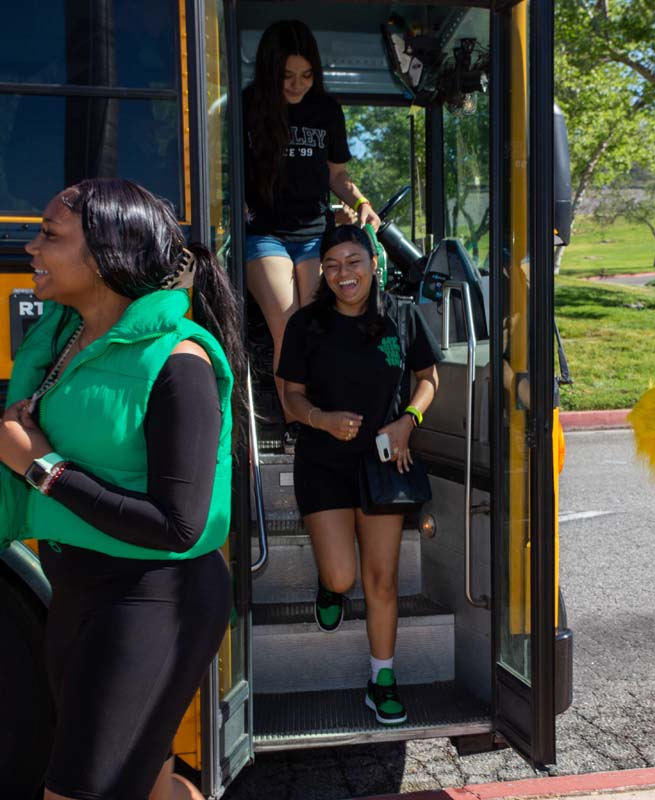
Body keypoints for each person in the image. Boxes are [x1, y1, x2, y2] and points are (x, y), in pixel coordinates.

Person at [0, 178, 244, 800]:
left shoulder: (178, 361)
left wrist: (42, 466)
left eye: (50, 235)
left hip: (154, 599)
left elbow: (178, 525)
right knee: (152, 782)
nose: (30, 246)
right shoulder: (67, 335)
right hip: (78, 587)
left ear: (107, 255)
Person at [276, 224, 439, 726]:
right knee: (343, 575)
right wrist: (321, 419)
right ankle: (329, 587)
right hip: (322, 463)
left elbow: (428, 379)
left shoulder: (402, 316)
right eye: (332, 265)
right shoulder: (306, 324)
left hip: (382, 466)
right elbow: (289, 398)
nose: (343, 274)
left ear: (373, 264)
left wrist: (408, 420)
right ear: (323, 273)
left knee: (382, 580)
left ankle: (381, 679)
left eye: (353, 262)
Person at [243, 19, 381, 431]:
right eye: (288, 76)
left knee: (315, 326)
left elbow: (337, 176)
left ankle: (318, 419)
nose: (298, 85)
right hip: (265, 233)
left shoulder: (327, 110)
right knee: (288, 325)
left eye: (306, 75)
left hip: (312, 237)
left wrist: (361, 203)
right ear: (270, 71)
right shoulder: (248, 106)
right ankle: (300, 426)